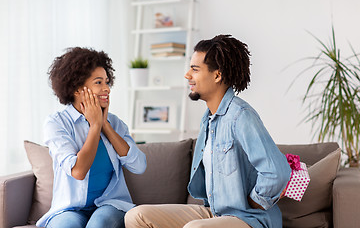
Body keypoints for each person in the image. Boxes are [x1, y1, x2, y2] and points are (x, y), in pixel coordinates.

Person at [125, 35, 291, 228]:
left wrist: (254, 201)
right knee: (136, 216)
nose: (187, 75)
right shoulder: (208, 120)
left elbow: (277, 172)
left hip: (248, 219)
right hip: (214, 213)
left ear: (217, 75)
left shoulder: (241, 116)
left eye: (195, 69)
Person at [37, 47, 147, 228]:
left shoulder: (115, 123)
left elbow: (139, 166)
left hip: (111, 204)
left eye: (107, 82)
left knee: (100, 224)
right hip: (69, 209)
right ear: (77, 89)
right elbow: (78, 171)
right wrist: (95, 126)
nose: (107, 89)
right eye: (98, 83)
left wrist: (105, 125)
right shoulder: (56, 123)